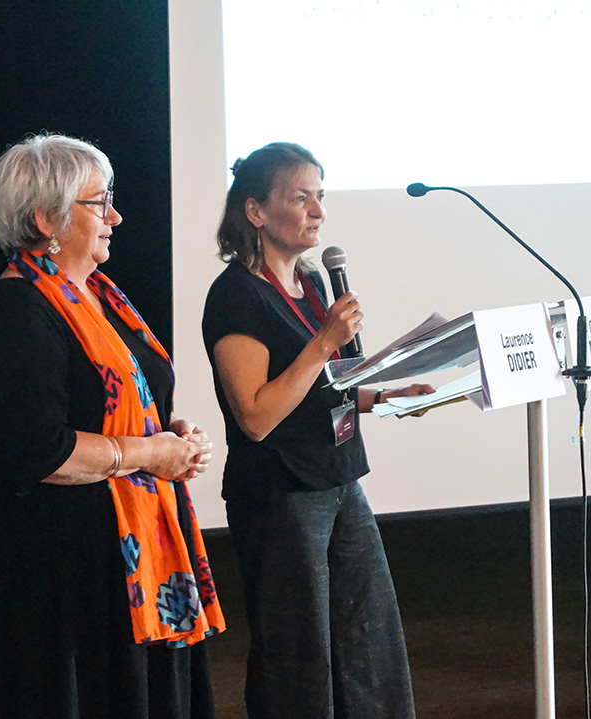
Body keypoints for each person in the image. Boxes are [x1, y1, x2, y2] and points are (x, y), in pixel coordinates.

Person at [0, 133, 226, 719]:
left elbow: (123, 403)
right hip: (66, 583)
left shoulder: (98, 296)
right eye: (99, 202)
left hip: (133, 563)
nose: (116, 216)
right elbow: (42, 450)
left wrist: (171, 434)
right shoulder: (17, 310)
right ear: (45, 218)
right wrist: (150, 454)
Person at [201, 142, 433, 719]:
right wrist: (325, 340)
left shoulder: (310, 284)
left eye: (320, 196)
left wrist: (386, 396)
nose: (318, 211)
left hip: (338, 477)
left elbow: (322, 389)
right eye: (300, 197)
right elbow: (256, 417)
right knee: (298, 653)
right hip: (280, 492)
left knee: (369, 639)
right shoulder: (236, 295)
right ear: (256, 211)